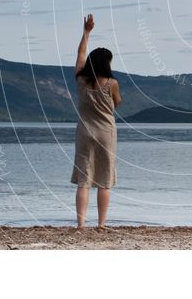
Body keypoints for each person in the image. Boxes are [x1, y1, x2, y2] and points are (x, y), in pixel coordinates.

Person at [71, 13, 122, 229]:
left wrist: (86, 32)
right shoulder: (112, 83)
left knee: (84, 180)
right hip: (106, 133)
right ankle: (101, 224)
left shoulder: (81, 80)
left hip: (84, 131)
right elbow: (116, 103)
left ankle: (81, 225)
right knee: (104, 180)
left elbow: (80, 53)